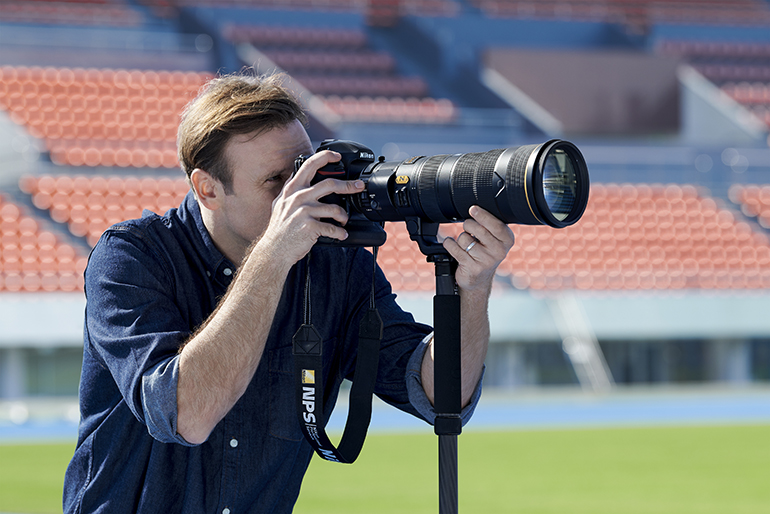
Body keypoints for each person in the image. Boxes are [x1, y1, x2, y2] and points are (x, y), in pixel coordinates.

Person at [63, 71, 514, 514]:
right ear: (208, 189)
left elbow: (441, 396)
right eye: (277, 181)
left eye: (305, 171)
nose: (300, 195)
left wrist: (472, 292)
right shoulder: (132, 257)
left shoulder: (335, 264)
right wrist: (273, 256)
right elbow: (187, 415)